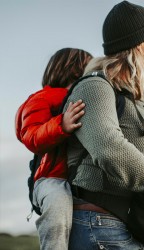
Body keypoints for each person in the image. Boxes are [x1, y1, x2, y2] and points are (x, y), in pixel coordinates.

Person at [64, 1, 144, 249]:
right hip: (102, 224)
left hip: (139, 224)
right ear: (140, 43)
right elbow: (109, 147)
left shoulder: (135, 98)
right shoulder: (94, 87)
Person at [15, 48, 93, 250]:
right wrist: (61, 124)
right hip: (51, 179)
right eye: (90, 66)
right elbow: (31, 136)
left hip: (78, 178)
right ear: (75, 69)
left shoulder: (88, 96)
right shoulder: (43, 98)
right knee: (58, 209)